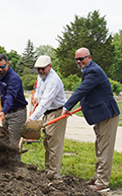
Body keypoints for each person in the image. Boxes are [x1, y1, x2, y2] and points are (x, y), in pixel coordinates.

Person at [62, 48, 120, 193]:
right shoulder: (89, 70)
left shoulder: (93, 71)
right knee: (100, 147)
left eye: (82, 58)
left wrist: (67, 106)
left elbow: (82, 89)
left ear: (89, 57)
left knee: (105, 149)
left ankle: (102, 183)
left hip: (107, 114)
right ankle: (97, 177)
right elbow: (90, 92)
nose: (79, 62)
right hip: (101, 114)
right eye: (76, 59)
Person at [26, 55, 67, 177]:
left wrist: (32, 118)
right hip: (47, 113)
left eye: (42, 68)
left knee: (54, 143)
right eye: (38, 69)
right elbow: (39, 90)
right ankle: (48, 170)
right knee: (47, 142)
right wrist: (36, 97)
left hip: (57, 112)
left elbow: (45, 103)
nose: (40, 71)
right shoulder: (41, 76)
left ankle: (54, 173)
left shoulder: (53, 81)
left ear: (50, 66)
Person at [0, 53, 28, 161]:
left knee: (14, 142)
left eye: (2, 67)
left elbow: (10, 97)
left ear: (7, 63)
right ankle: (5, 165)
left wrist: (3, 111)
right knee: (3, 139)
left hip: (17, 113)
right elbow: (2, 84)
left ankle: (15, 168)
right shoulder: (2, 75)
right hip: (7, 112)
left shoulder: (14, 78)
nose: (0, 69)